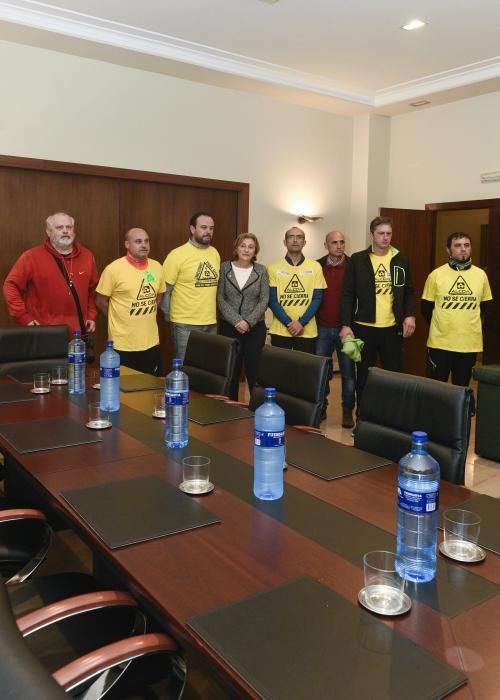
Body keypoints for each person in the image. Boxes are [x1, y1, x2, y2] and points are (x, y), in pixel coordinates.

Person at [340, 216, 415, 411]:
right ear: (372, 234)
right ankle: (363, 416)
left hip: (392, 328)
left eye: (388, 233)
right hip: (364, 328)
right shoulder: (358, 259)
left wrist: (409, 315)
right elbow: (348, 294)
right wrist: (346, 324)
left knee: (394, 375)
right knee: (364, 375)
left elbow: (408, 291)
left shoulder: (400, 259)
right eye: (381, 233)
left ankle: (392, 415)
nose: (385, 238)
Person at [3, 211, 98, 335]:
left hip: (78, 333)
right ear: (48, 232)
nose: (65, 231)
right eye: (59, 227)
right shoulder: (31, 257)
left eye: (69, 227)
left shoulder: (87, 256)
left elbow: (93, 289)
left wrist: (91, 315)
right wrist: (24, 317)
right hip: (44, 333)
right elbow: (10, 286)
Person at [422, 232, 492, 386]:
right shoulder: (436, 275)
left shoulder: (481, 275)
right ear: (448, 250)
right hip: (440, 344)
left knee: (462, 389)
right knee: (436, 390)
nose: (463, 249)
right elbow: (426, 308)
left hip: (468, 344)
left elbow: (484, 307)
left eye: (466, 245)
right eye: (458, 245)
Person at [96, 228, 165, 375]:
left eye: (146, 241)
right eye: (138, 241)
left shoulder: (157, 267)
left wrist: (148, 312)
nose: (144, 245)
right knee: (124, 391)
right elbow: (100, 301)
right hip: (123, 344)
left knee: (151, 388)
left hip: (151, 342)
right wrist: (117, 318)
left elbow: (160, 294)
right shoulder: (113, 269)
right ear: (127, 244)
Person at [161, 211, 220, 362]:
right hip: (184, 324)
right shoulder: (177, 255)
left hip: (210, 322)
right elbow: (165, 290)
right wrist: (170, 318)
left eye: (211, 228)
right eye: (204, 227)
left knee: (208, 368)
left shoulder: (214, 253)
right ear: (192, 229)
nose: (208, 232)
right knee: (185, 366)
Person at [217, 233, 269, 400]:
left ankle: (257, 408)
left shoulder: (261, 270)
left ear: (255, 251)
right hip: (229, 327)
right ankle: (230, 408)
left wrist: (248, 321)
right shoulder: (225, 268)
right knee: (231, 370)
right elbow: (220, 298)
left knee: (255, 371)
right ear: (236, 248)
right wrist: (236, 321)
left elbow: (264, 299)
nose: (246, 250)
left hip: (255, 329)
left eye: (250, 247)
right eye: (243, 246)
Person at [316, 230, 355, 428]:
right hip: (321, 328)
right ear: (326, 245)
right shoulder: (317, 266)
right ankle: (321, 408)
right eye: (334, 242)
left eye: (342, 242)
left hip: (345, 330)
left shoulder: (353, 266)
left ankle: (348, 410)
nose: (339, 246)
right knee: (322, 372)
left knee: (348, 374)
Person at [267, 226, 326, 353]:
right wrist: (289, 323)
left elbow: (317, 298)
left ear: (304, 242)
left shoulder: (315, 267)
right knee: (280, 371)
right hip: (280, 331)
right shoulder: (273, 267)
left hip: (307, 331)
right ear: (284, 242)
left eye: (299, 237)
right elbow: (272, 300)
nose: (295, 240)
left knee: (305, 372)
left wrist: (301, 323)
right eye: (291, 237)